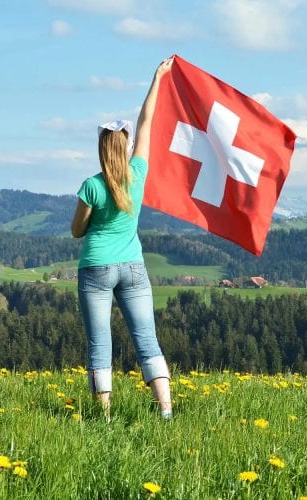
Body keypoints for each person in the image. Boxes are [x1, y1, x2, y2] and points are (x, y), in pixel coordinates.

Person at [71, 57, 174, 421]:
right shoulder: (138, 173)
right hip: (133, 267)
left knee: (100, 343)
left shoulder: (91, 186)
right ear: (125, 146)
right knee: (146, 338)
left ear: (102, 148)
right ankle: (165, 410)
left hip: (96, 267)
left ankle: (106, 417)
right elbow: (147, 121)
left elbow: (76, 230)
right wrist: (158, 78)